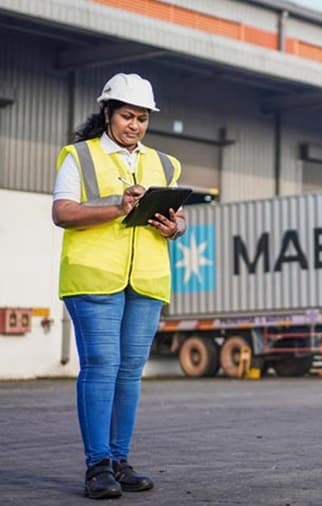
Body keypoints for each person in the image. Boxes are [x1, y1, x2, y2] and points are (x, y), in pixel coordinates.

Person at [52, 73, 186, 499]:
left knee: (129, 373)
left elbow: (179, 219)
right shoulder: (79, 156)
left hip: (146, 279)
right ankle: (97, 467)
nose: (135, 125)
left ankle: (119, 459)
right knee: (102, 365)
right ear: (107, 112)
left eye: (143, 118)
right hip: (93, 276)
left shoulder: (166, 164)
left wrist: (173, 227)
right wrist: (115, 206)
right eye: (128, 115)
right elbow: (63, 212)